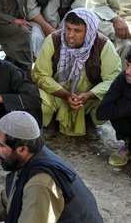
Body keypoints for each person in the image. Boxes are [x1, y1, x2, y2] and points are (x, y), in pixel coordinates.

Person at [31, 8, 121, 138]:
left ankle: (89, 121)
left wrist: (88, 95)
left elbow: (113, 79)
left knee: (112, 99)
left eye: (77, 31)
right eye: (68, 28)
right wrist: (66, 94)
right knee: (38, 98)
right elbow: (40, 75)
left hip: (88, 99)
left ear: (89, 31)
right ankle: (50, 121)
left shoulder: (103, 45)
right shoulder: (53, 40)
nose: (70, 34)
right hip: (58, 93)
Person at [96, 42, 131, 179]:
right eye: (127, 66)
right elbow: (102, 112)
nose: (128, 71)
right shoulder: (123, 80)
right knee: (119, 107)